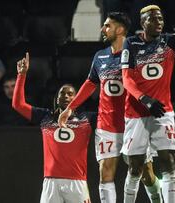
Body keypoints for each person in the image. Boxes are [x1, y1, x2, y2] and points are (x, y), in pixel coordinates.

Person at [58, 12, 162, 203]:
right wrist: (70, 108)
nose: (102, 29)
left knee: (145, 173)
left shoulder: (138, 54)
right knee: (105, 173)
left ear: (120, 29)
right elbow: (90, 84)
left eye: (107, 25)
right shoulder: (100, 56)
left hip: (133, 123)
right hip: (106, 126)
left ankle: (158, 197)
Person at [120, 5, 175, 203]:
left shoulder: (170, 41)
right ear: (143, 23)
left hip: (163, 111)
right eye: (153, 19)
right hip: (136, 113)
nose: (159, 22)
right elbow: (126, 79)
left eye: (160, 19)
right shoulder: (131, 43)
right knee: (135, 167)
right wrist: (145, 99)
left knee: (168, 162)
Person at [12, 53, 93, 203]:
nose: (66, 96)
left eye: (70, 94)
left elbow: (111, 114)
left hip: (77, 182)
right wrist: (21, 75)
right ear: (56, 99)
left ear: (77, 99)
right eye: (62, 93)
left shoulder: (86, 118)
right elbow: (18, 105)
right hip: (51, 182)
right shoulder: (45, 117)